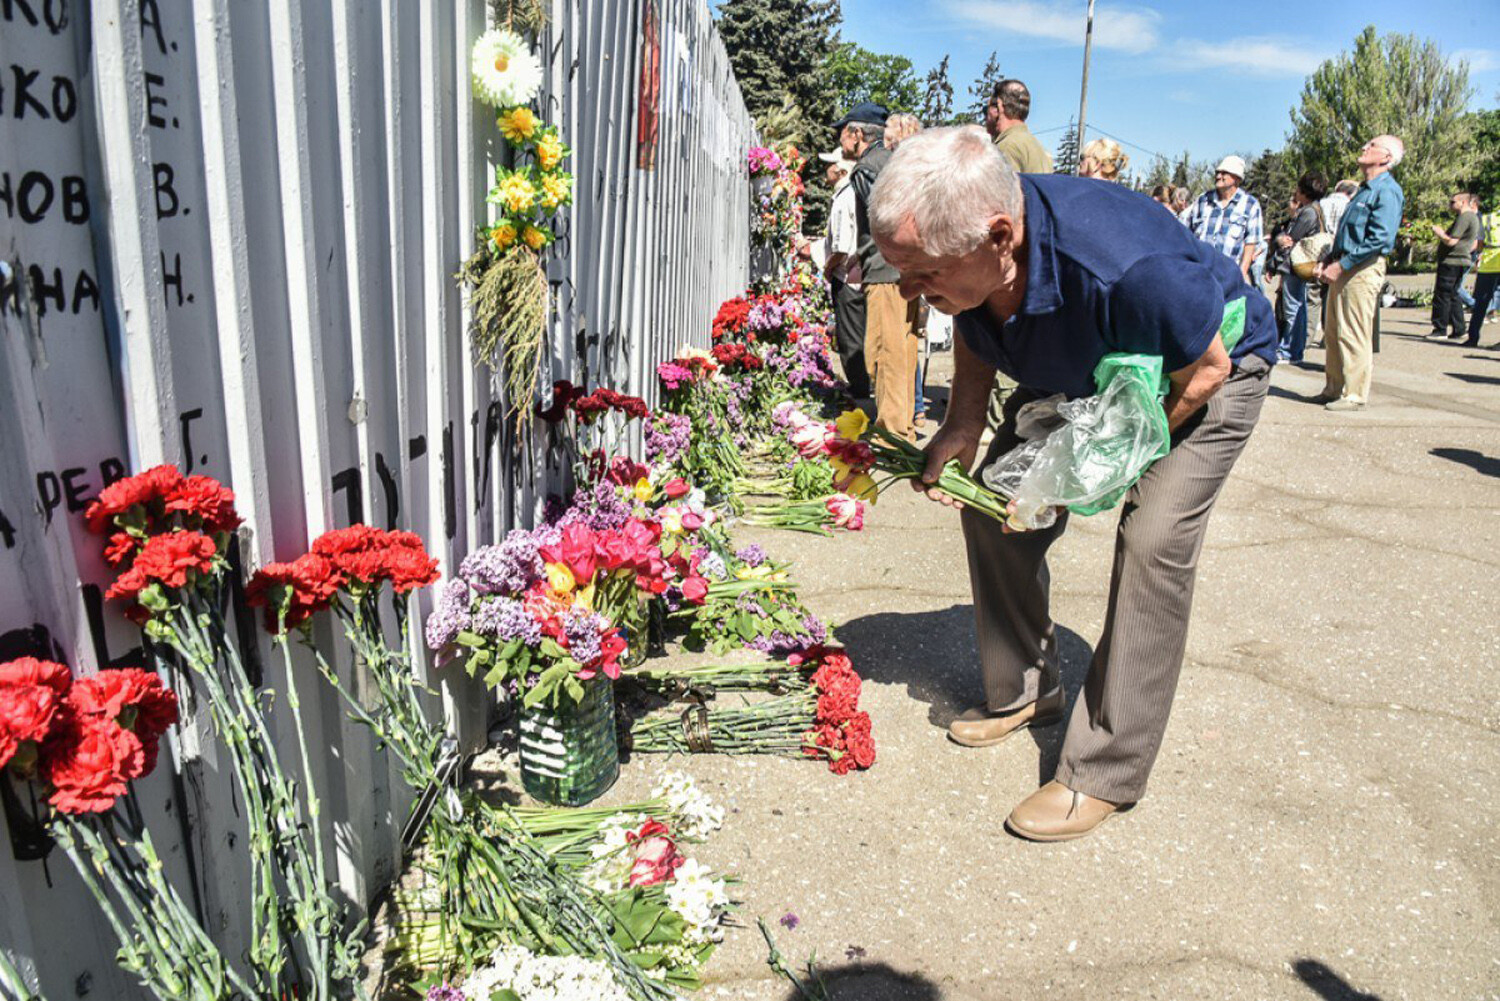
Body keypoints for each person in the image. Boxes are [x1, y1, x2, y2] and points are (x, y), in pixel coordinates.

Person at [868, 126, 1276, 842]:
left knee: (1153, 540)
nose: (907, 290)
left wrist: (1104, 465)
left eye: (922, 273)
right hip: (1091, 373)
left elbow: (1204, 370)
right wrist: (963, 421)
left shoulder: (1124, 268)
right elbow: (970, 318)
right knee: (995, 503)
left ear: (1000, 236)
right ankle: (1030, 689)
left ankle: (1106, 770)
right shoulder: (977, 267)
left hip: (1198, 373)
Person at [840, 100, 922, 440]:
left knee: (885, 353)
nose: (840, 141)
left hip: (886, 272)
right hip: (907, 270)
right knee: (904, 348)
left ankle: (891, 430)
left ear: (858, 133)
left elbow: (886, 217)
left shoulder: (867, 168)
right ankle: (902, 424)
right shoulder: (894, 162)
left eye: (843, 133)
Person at [1316, 135, 1405, 411]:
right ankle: (1333, 388)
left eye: (1372, 145)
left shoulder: (1387, 190)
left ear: (1387, 158)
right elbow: (1347, 234)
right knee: (1333, 331)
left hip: (1362, 267)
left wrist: (1341, 265)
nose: (1365, 148)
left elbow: (1379, 239)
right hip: (1345, 263)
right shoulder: (1364, 190)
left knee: (1353, 331)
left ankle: (1353, 394)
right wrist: (1330, 259)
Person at [820, 149, 869, 397]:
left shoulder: (843, 198)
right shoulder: (852, 194)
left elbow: (840, 247)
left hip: (845, 275)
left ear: (840, 171)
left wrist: (828, 269)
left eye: (829, 166)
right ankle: (862, 386)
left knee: (850, 337)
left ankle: (859, 391)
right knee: (857, 333)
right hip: (855, 273)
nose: (824, 170)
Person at [1272, 172, 1329, 364]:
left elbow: (1290, 238)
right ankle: (1294, 348)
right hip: (1301, 265)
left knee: (1293, 308)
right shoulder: (1315, 210)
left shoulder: (1307, 212)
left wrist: (1280, 238)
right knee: (1299, 307)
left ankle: (1290, 350)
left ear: (1303, 191)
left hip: (1296, 265)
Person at [1183, 156, 1263, 284]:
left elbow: (1250, 245)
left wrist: (1240, 276)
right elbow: (1186, 234)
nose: (1218, 176)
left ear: (1236, 178)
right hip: (1198, 274)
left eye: (1224, 173)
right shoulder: (1203, 200)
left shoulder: (1250, 205)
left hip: (1227, 277)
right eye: (1217, 173)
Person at [1427, 193, 1480, 341]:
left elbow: (1452, 241)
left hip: (1452, 261)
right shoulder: (1471, 217)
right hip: (1460, 261)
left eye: (1452, 202)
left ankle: (1440, 329)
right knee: (1453, 294)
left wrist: (1440, 233)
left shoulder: (1465, 217)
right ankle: (1459, 329)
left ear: (1463, 202)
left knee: (1442, 295)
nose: (1450, 205)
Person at [986, 80, 1052, 174]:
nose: (985, 116)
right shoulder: (1039, 148)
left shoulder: (1006, 147)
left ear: (999, 106)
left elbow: (1003, 188)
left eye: (986, 110)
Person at [1463, 198, 1500, 347]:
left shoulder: (1488, 218)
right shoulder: (1488, 218)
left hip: (1489, 263)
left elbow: (1480, 243)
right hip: (1490, 262)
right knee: (1481, 304)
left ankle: (1473, 338)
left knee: (1480, 304)